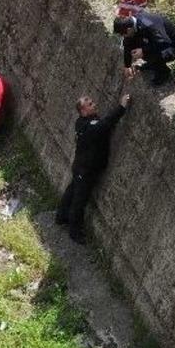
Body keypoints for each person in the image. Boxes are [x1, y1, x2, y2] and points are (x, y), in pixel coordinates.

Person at [56, 92, 131, 244]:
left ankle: (61, 216)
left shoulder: (82, 122)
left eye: (92, 102)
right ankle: (75, 231)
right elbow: (105, 124)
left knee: (72, 191)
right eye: (89, 104)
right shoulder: (89, 126)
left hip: (82, 167)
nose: (94, 104)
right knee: (79, 200)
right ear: (83, 111)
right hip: (85, 170)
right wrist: (122, 107)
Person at [113, 11, 175, 86]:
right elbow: (127, 44)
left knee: (147, 54)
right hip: (160, 42)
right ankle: (152, 64)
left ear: (128, 29)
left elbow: (163, 42)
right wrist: (127, 66)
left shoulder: (148, 24)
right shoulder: (132, 24)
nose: (123, 36)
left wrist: (143, 51)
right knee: (134, 43)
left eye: (123, 34)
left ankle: (163, 73)